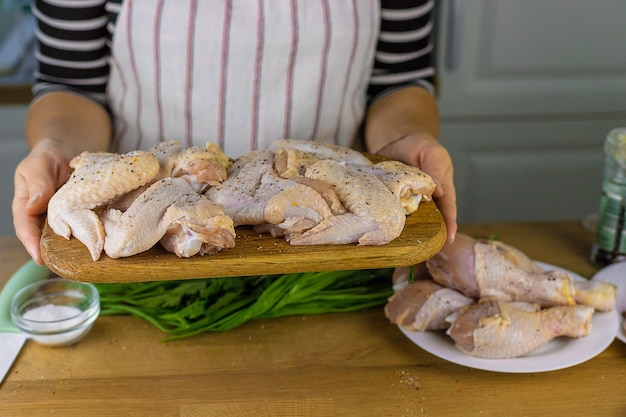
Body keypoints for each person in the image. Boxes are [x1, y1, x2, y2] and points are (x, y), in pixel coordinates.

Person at [13, 0, 457, 266]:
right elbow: (71, 82)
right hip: (149, 251)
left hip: (331, 245)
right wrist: (59, 146)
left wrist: (404, 139)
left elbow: (400, 77)